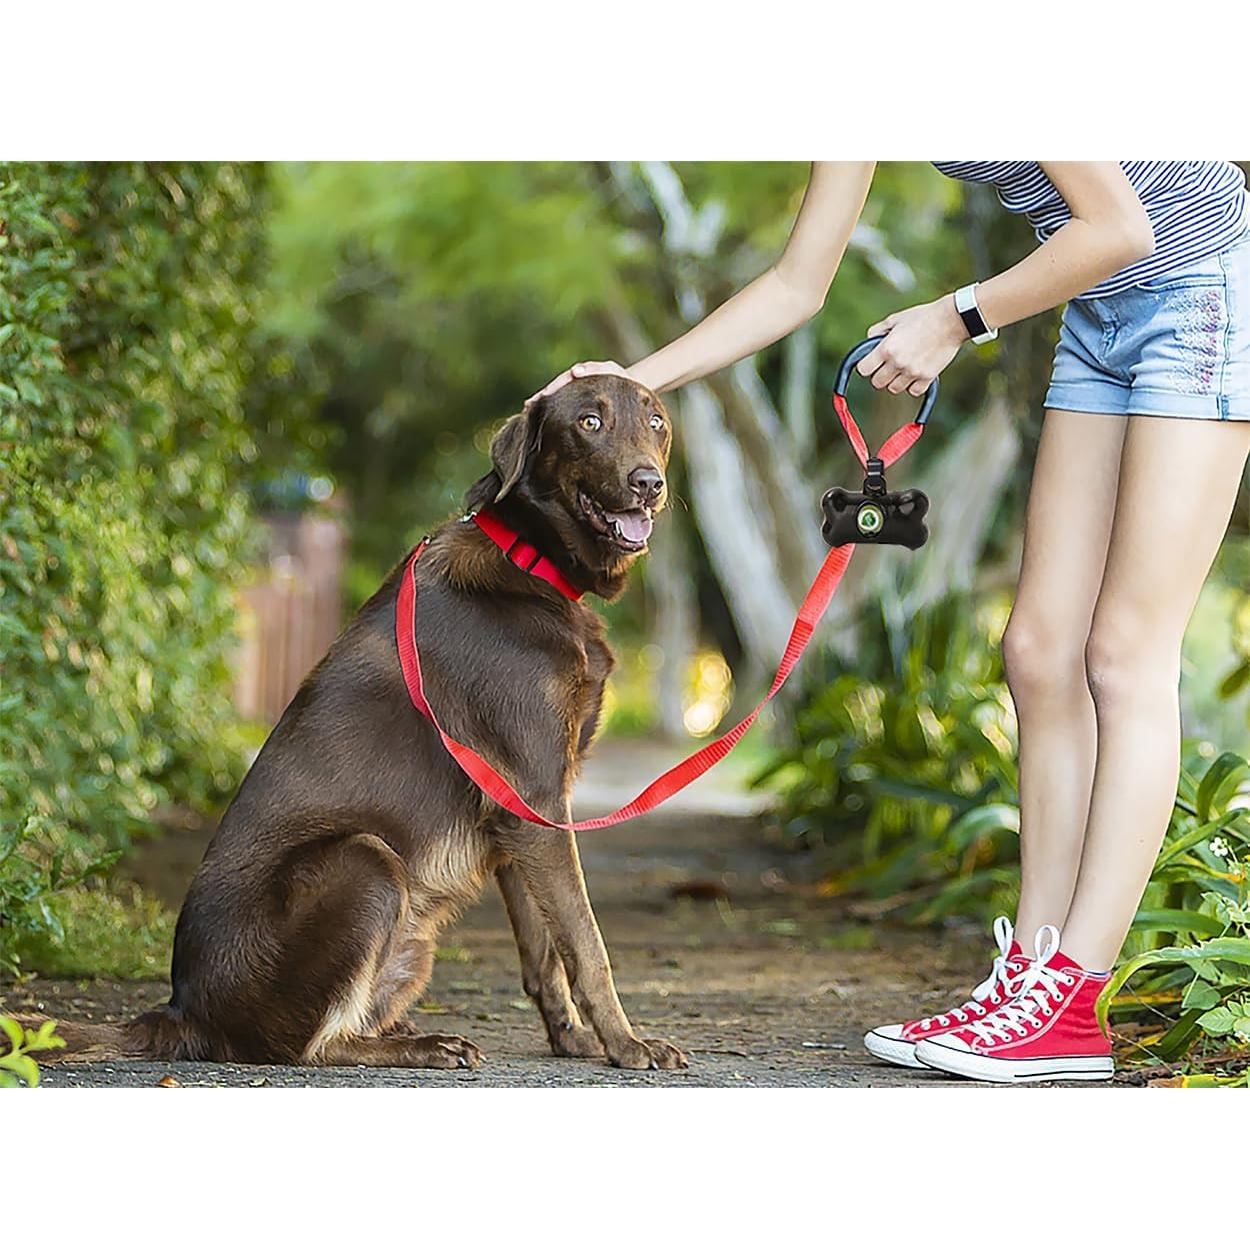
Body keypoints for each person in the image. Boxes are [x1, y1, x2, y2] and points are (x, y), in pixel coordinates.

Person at [530, 161, 1250, 1082]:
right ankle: (1031, 975)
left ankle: (1073, 1002)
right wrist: (628, 381)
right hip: (1099, 311)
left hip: (1199, 293)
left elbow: (1119, 226)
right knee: (1037, 651)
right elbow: (797, 283)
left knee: (1122, 656)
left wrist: (956, 317)